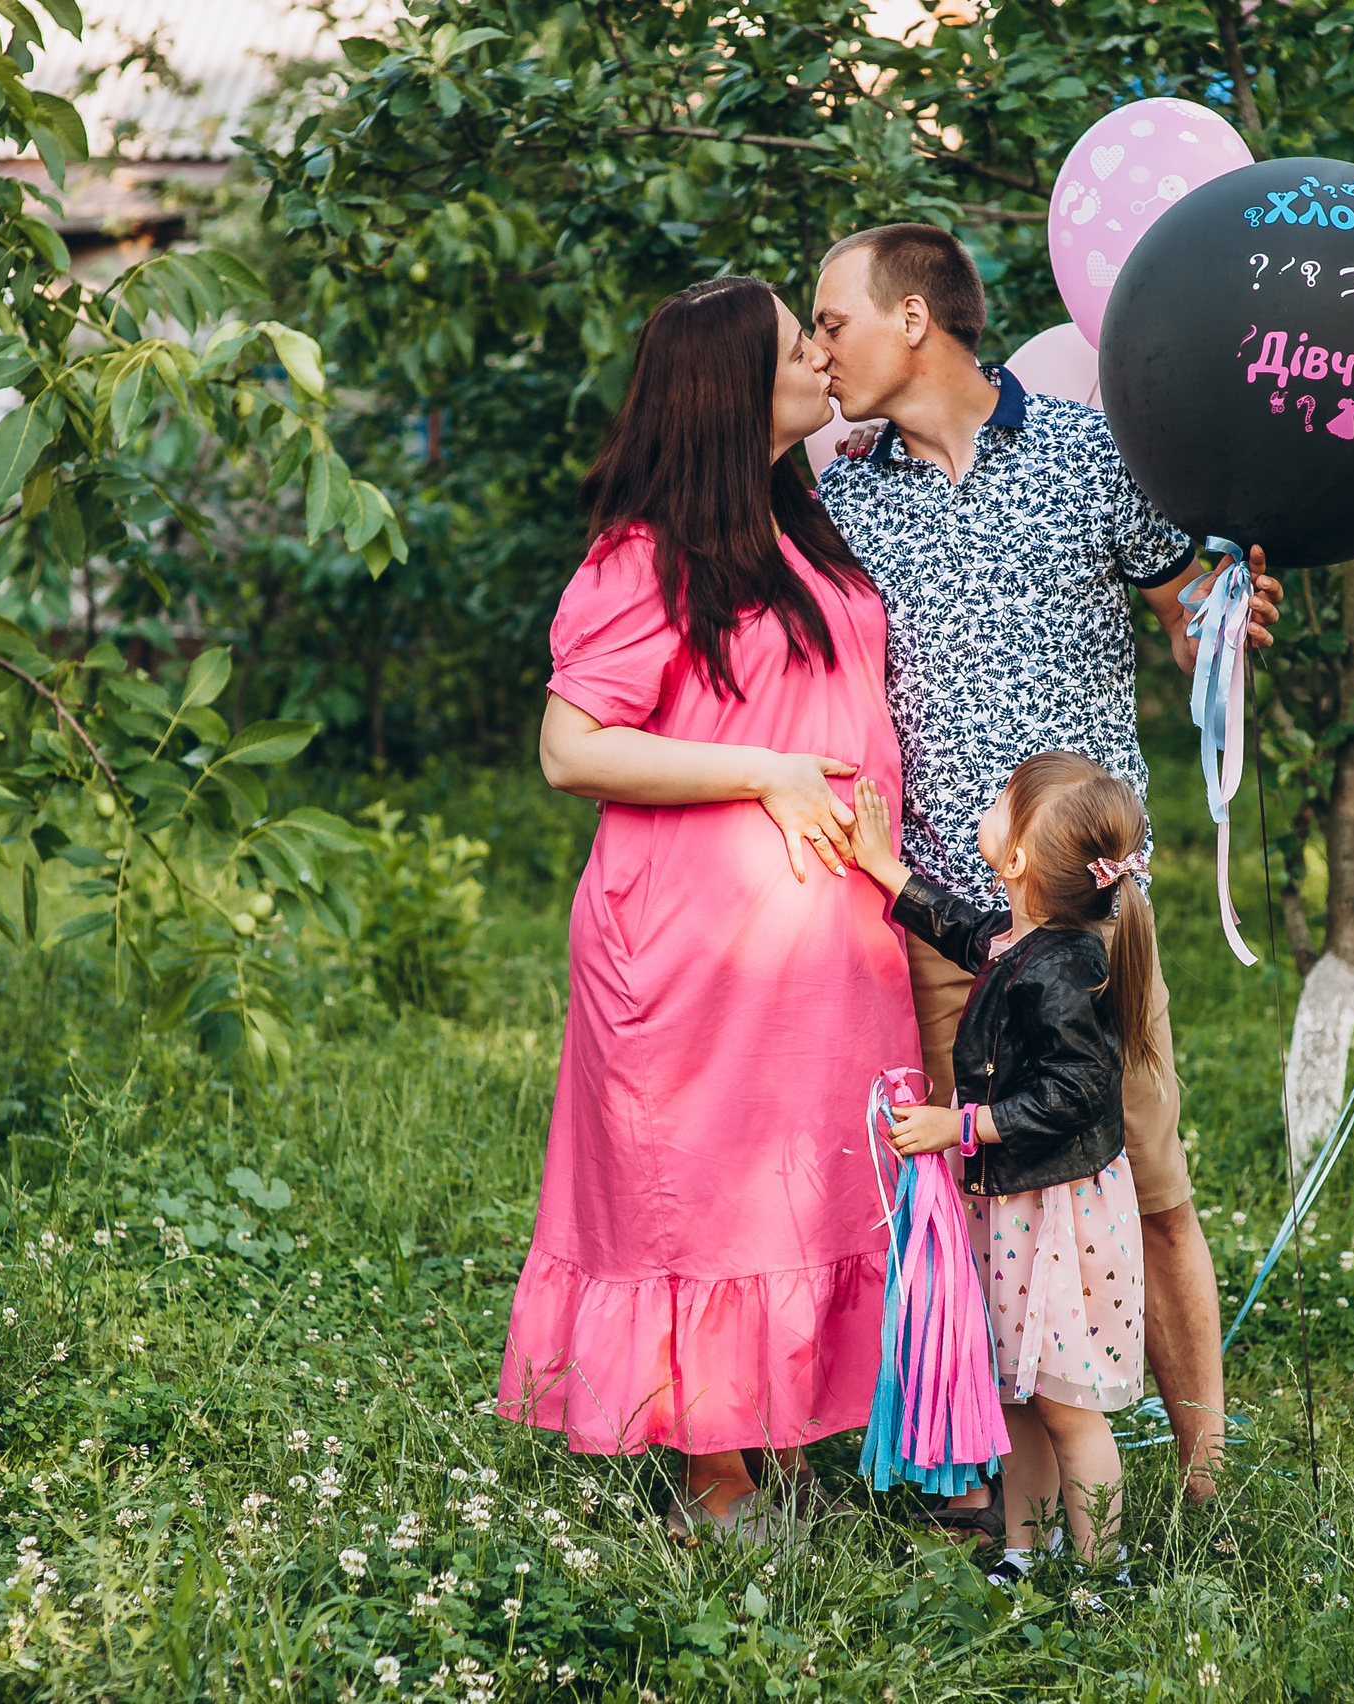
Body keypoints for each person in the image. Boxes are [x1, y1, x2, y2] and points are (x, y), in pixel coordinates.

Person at [810, 223, 1281, 1508]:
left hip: (1084, 918)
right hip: (932, 918)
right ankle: (984, 1488)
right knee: (958, 1201)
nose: (820, 349)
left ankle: (1203, 1476)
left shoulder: (1088, 454)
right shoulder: (843, 497)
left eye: (833, 320)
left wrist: (1219, 631)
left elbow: (1191, 611)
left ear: (915, 320)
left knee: (1148, 1179)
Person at [496, 277, 918, 1542]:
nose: (823, 357)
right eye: (802, 344)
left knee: (810, 1184)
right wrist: (768, 772)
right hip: (696, 938)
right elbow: (572, 749)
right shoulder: (649, 551)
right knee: (711, 1191)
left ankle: (782, 1436)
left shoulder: (802, 524)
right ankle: (714, 1472)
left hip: (826, 932)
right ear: (737, 385)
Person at [844, 753, 1157, 1582]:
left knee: (1068, 1405)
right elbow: (959, 929)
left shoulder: (1063, 969)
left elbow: (1079, 1093)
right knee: (1016, 1393)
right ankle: (1025, 1548)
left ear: (1015, 858)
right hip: (1015, 1211)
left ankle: (1102, 1573)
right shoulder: (1022, 940)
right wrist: (887, 870)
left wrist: (963, 1124)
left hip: (1056, 1220)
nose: (983, 808)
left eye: (997, 804)